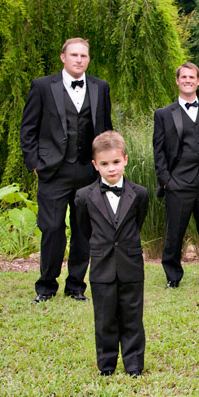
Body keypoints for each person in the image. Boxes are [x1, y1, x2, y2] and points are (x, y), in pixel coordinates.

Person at [20, 38, 113, 304]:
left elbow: (105, 129)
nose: (79, 60)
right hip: (53, 172)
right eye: (74, 55)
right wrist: (35, 164)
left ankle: (76, 287)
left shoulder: (100, 88)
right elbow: (28, 129)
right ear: (63, 57)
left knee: (84, 231)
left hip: (87, 172)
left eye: (84, 55)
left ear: (88, 59)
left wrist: (104, 166)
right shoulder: (42, 87)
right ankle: (46, 287)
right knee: (52, 229)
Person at [75, 131, 149, 377]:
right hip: (101, 267)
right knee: (105, 318)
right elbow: (85, 228)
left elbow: (137, 223)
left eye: (116, 162)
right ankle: (106, 365)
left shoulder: (139, 194)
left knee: (132, 317)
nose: (111, 169)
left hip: (130, 265)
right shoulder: (84, 196)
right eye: (105, 164)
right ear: (95, 165)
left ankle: (134, 365)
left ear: (125, 160)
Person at [153, 62, 199, 289]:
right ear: (177, 81)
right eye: (183, 77)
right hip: (178, 183)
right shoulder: (164, 114)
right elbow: (159, 152)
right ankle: (173, 276)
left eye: (192, 77)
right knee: (174, 232)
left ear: (198, 81)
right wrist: (167, 181)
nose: (187, 80)